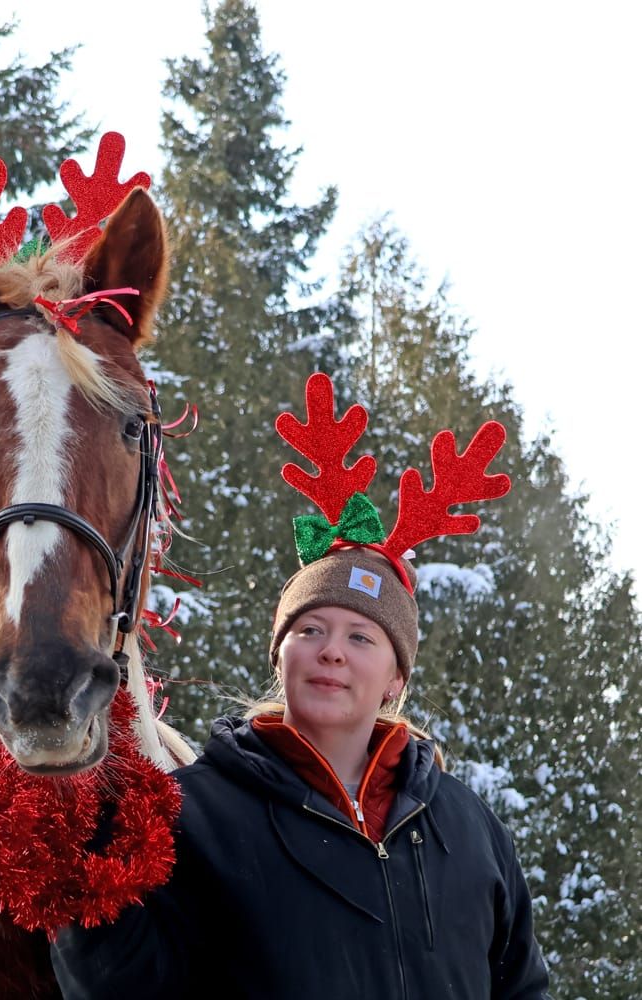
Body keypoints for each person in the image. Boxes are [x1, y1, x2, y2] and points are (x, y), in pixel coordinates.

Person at [51, 376, 551, 1000]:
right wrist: (81, 881)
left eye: (362, 638)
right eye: (310, 628)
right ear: (280, 653)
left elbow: (522, 987)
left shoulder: (468, 828)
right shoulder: (192, 816)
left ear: (397, 678)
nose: (332, 650)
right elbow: (120, 989)